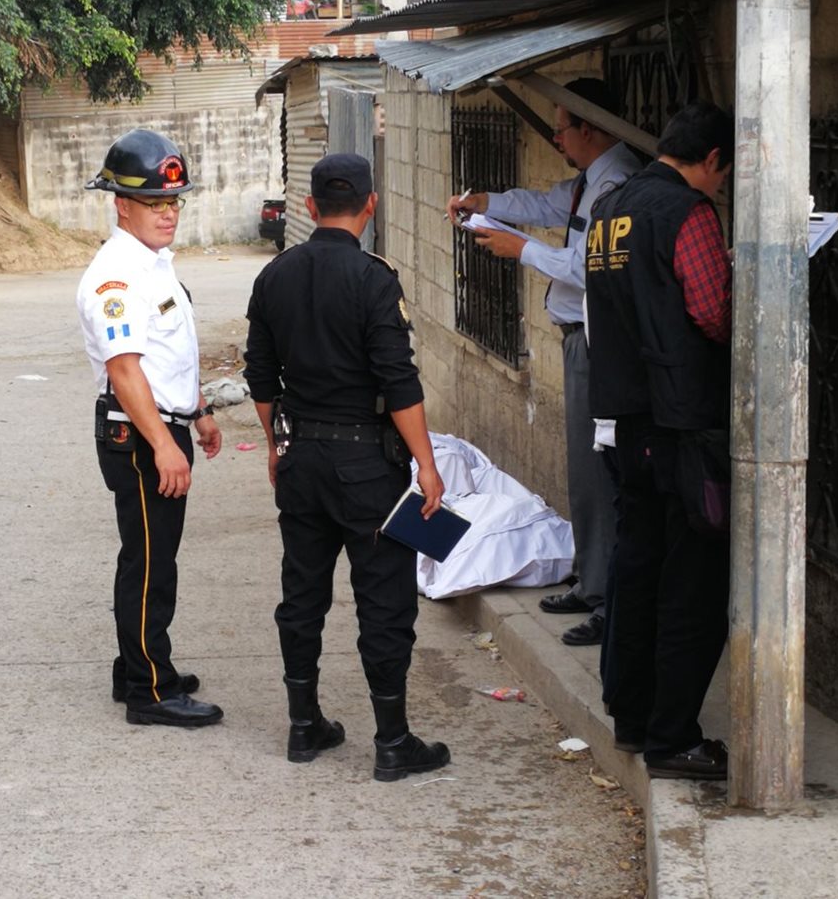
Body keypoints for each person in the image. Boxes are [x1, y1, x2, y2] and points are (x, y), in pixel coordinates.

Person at [244, 153, 451, 782]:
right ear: (370, 204)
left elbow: (259, 376)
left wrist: (276, 446)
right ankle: (392, 742)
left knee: (301, 594)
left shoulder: (274, 277)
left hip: (303, 458)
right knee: (383, 600)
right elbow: (400, 379)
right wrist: (427, 465)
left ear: (308, 208)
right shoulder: (374, 278)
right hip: (369, 467)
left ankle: (304, 727)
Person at [447, 78, 640, 648]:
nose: (555, 136)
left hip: (599, 339)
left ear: (592, 127)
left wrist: (521, 249)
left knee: (597, 471)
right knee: (581, 469)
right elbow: (546, 203)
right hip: (579, 336)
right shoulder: (589, 181)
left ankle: (604, 591)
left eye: (563, 126)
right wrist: (488, 205)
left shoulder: (617, 185)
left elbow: (587, 270)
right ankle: (591, 577)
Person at [584, 102, 734, 780]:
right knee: (692, 581)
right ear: (712, 161)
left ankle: (635, 718)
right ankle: (674, 738)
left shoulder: (610, 208)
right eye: (722, 174)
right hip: (680, 425)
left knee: (636, 569)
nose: (720, 186)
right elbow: (711, 309)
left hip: (625, 419)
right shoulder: (687, 213)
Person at [75, 129, 224, 728]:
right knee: (149, 562)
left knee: (153, 555)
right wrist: (164, 444)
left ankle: (138, 663)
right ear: (121, 205)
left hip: (164, 425)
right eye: (156, 204)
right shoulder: (115, 277)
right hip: (139, 437)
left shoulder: (153, 265)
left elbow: (170, 356)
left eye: (174, 202)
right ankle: (149, 690)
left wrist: (199, 411)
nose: (169, 214)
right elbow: (126, 369)